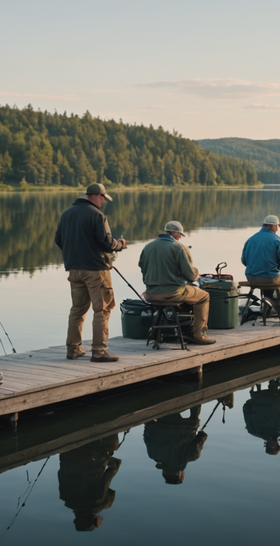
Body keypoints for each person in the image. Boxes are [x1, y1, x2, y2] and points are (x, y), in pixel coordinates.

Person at [54, 183, 127, 362]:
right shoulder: (97, 215)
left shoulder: (66, 213)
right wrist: (120, 245)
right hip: (96, 270)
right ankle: (99, 351)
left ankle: (73, 349)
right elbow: (106, 243)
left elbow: (58, 239)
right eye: (103, 198)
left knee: (77, 310)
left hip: (74, 269)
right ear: (96, 196)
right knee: (102, 309)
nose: (103, 202)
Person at [138, 221, 215, 345]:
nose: (179, 238)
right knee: (204, 296)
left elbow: (142, 267)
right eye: (180, 235)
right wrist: (197, 274)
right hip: (172, 293)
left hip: (150, 294)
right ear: (175, 233)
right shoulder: (178, 247)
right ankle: (199, 334)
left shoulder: (148, 246)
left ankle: (159, 332)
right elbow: (190, 274)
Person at [240, 215, 280, 326]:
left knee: (277, 277)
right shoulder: (279, 241)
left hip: (251, 278)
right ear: (272, 226)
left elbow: (244, 261)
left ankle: (271, 306)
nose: (277, 229)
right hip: (271, 279)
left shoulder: (250, 239)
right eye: (277, 226)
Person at [58, 434, 122, 532]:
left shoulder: (98, 502)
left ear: (94, 519)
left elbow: (109, 475)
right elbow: (60, 473)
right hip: (67, 454)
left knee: (112, 446)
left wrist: (115, 463)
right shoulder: (65, 497)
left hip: (92, 453)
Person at [144, 406, 207, 485]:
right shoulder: (152, 455)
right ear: (164, 472)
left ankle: (196, 402)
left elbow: (201, 437)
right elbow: (146, 435)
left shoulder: (191, 456)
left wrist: (203, 435)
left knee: (194, 423)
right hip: (159, 425)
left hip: (184, 427)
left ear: (181, 474)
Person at [242, 375, 280, 455]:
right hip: (257, 398)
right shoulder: (252, 431)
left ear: (278, 445)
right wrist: (252, 402)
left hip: (277, 399)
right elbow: (245, 409)